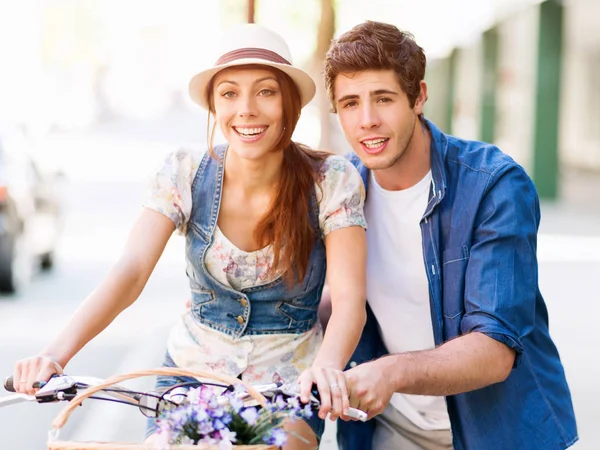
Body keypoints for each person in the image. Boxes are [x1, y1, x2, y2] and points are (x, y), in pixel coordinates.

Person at [12, 24, 368, 449]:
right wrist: (55, 354)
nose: (247, 110)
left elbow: (349, 300)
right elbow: (131, 271)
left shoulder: (331, 181)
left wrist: (326, 368)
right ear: (214, 106)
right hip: (190, 374)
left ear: (290, 103)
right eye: (229, 93)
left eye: (266, 92)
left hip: (288, 385)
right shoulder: (183, 173)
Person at [319, 20, 578, 450]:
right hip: (388, 426)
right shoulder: (342, 190)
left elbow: (495, 350)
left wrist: (392, 372)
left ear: (418, 96)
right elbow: (335, 299)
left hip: (494, 432)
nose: (366, 120)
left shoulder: (493, 185)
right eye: (350, 103)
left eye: (383, 99)